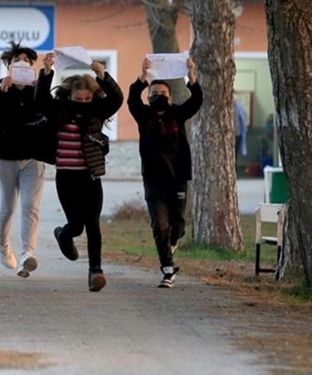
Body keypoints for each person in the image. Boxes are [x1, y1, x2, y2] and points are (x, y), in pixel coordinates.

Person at [34, 52, 124, 292]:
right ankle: (64, 235)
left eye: (87, 98)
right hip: (66, 178)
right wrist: (46, 72)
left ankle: (95, 271)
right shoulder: (59, 111)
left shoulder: (96, 113)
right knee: (76, 225)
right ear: (70, 95)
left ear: (92, 97)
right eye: (78, 98)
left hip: (90, 177)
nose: (82, 102)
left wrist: (103, 76)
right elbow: (41, 100)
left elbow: (116, 99)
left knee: (93, 223)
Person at [126, 57, 203, 288]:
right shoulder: (144, 116)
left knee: (177, 226)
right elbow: (131, 100)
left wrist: (191, 75)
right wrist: (142, 77)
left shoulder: (178, 114)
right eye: (154, 93)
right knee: (160, 226)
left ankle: (172, 242)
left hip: (177, 178)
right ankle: (168, 270)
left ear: (170, 98)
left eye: (162, 93)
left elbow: (197, 100)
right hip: (153, 181)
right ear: (148, 97)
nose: (158, 96)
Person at [0, 41, 47, 278]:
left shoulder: (38, 90)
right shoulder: (0, 91)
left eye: (26, 61)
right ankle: (1, 242)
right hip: (7, 157)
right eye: (15, 61)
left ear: (32, 66)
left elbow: (47, 111)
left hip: (33, 158)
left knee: (31, 206)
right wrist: (2, 92)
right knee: (8, 207)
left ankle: (26, 255)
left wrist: (46, 77)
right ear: (8, 67)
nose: (21, 64)